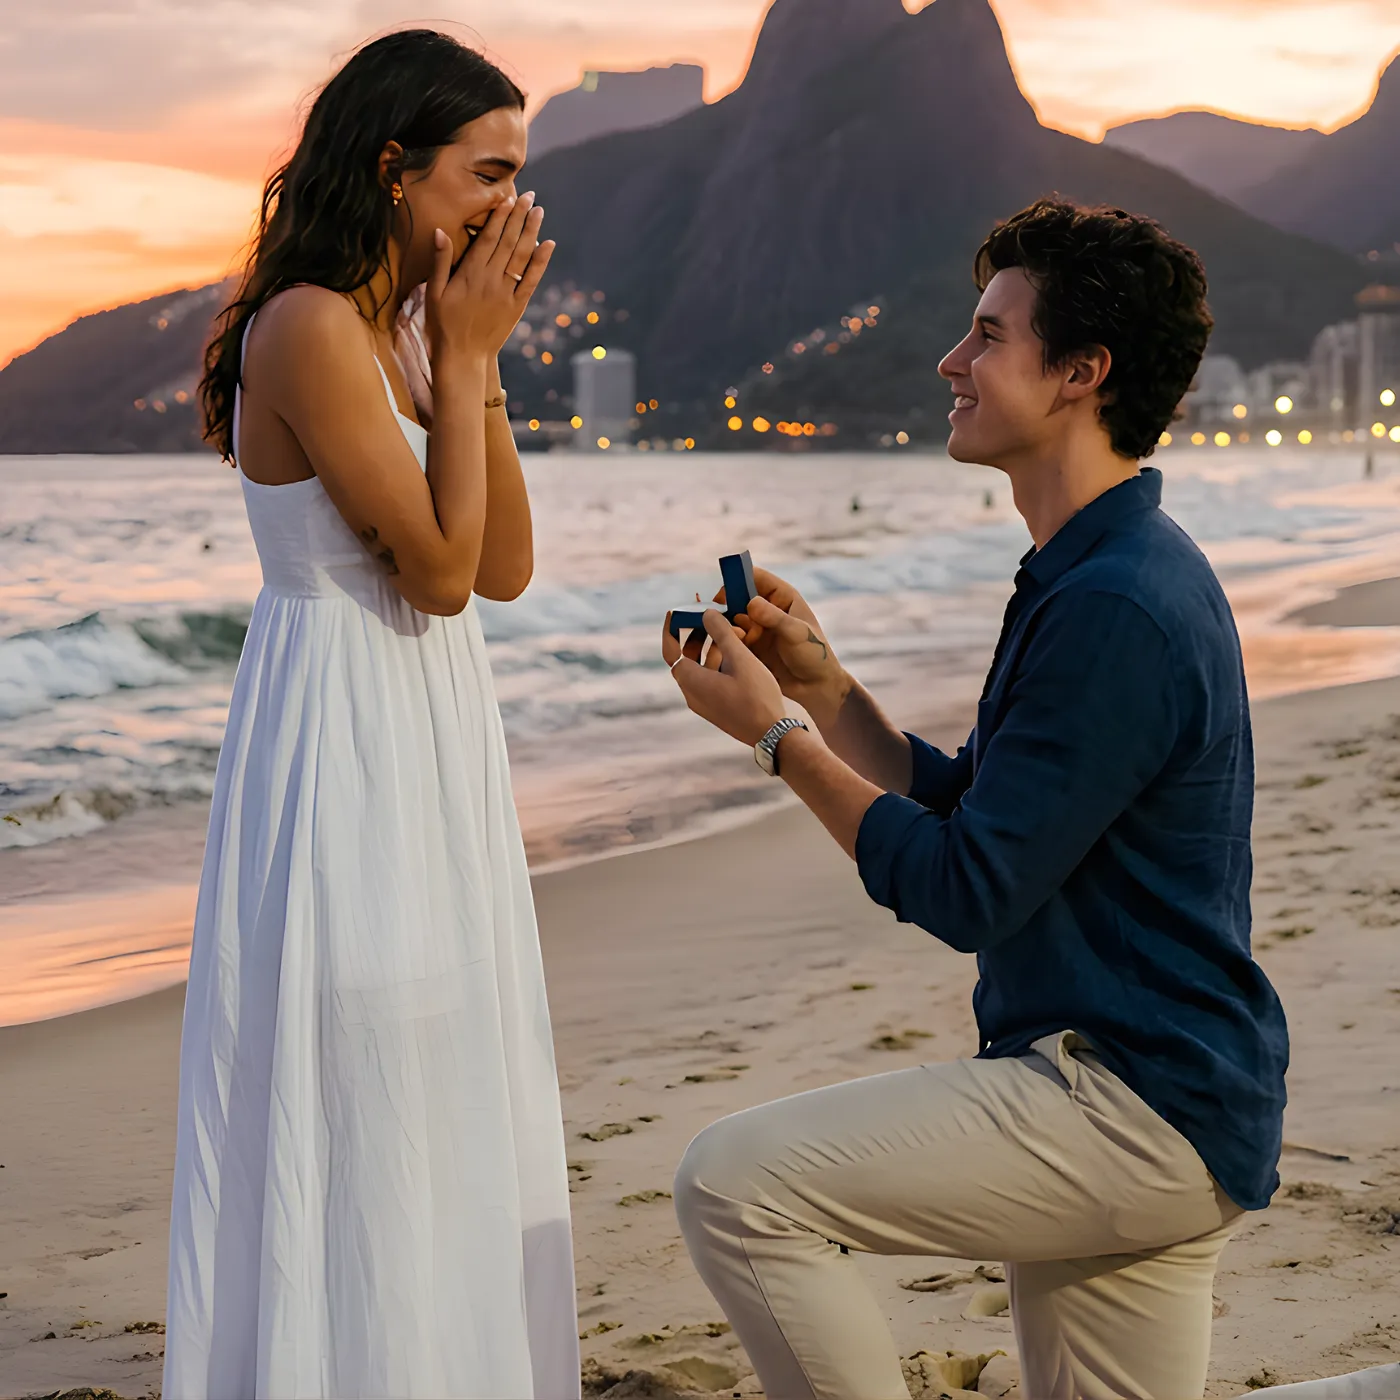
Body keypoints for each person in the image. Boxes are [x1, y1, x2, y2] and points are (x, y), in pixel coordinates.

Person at [662, 199, 1290, 1400]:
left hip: (1125, 1099)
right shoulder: (1099, 569)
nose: (950, 361)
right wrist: (826, 689)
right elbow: (988, 809)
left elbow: (965, 887)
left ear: (1079, 374)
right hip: (1175, 1091)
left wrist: (773, 738)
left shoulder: (1113, 602)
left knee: (736, 1184)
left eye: (986, 335)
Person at [162, 30, 579, 1399]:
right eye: (487, 175)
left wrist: (474, 361)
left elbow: (504, 565)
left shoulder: (412, 335)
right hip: (344, 724)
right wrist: (461, 359)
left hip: (428, 722)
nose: (509, 212)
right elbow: (443, 576)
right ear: (396, 169)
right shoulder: (306, 328)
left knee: (442, 1052)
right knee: (360, 1058)